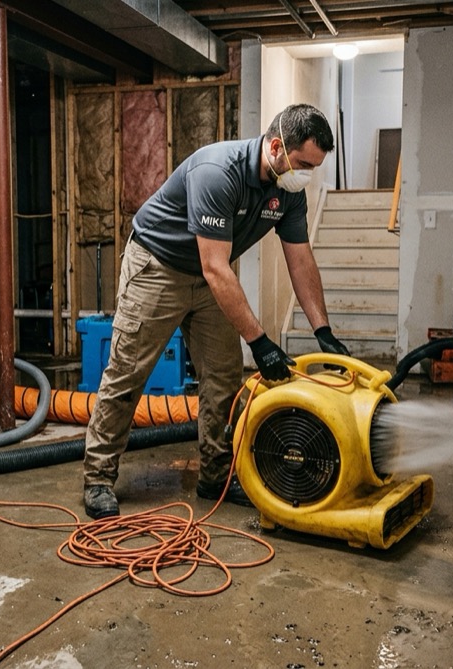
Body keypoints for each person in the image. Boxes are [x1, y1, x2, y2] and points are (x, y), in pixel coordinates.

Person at [82, 103, 351, 519]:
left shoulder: (288, 191)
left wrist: (324, 331)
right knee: (127, 372)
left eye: (314, 168)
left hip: (211, 276)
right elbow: (214, 266)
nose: (307, 175)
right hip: (159, 265)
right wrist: (260, 342)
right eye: (302, 164)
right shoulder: (217, 172)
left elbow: (300, 260)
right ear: (277, 147)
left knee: (224, 376)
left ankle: (215, 473)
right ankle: (98, 478)